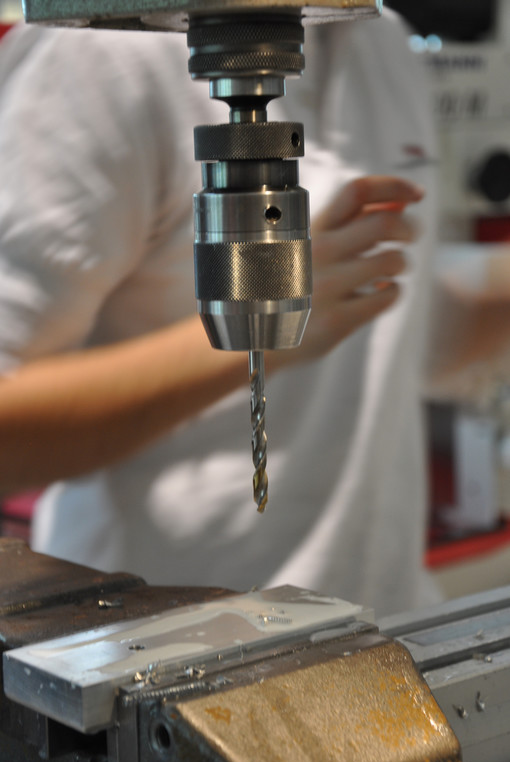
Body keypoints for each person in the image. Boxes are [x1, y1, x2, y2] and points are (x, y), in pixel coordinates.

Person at [0, 8, 438, 618]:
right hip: (155, 635)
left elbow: (410, 335)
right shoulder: (96, 52)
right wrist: (263, 328)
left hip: (379, 630)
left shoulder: (384, 41)